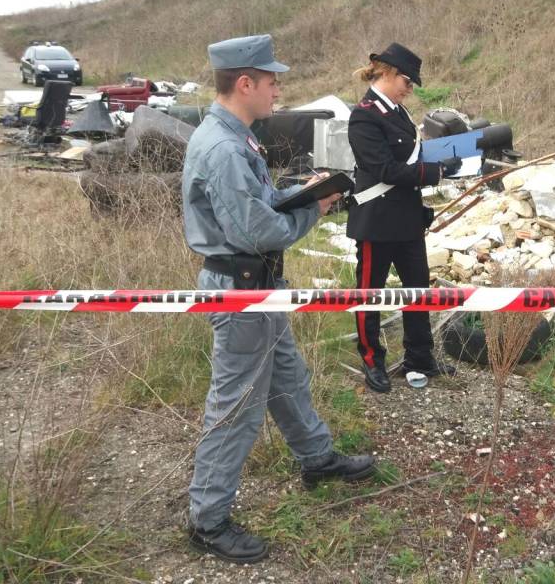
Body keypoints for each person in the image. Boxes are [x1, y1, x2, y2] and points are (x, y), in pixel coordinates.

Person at [183, 34, 375, 564]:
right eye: (271, 81)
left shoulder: (238, 136)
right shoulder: (222, 147)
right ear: (244, 83)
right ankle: (208, 520)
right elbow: (256, 231)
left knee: (287, 378)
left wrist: (304, 190)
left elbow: (260, 201)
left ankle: (317, 458)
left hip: (259, 287)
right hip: (241, 289)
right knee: (238, 407)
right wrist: (313, 210)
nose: (277, 89)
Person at [346, 42, 462, 393]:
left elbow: (412, 156)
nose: (410, 89)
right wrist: (434, 173)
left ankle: (420, 356)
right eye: (408, 82)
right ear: (389, 73)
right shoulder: (364, 114)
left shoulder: (397, 112)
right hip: (377, 221)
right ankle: (372, 360)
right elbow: (384, 169)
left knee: (418, 291)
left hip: (407, 220)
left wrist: (451, 159)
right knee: (370, 294)